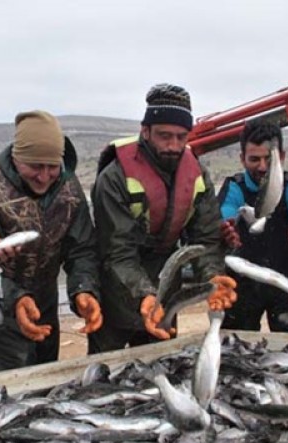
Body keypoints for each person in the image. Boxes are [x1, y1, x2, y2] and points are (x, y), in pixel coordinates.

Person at [87, 83, 237, 353]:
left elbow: (205, 240)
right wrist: (144, 295)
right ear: (145, 131)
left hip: (166, 287)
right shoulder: (114, 177)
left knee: (163, 366)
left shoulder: (198, 177)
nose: (174, 146)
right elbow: (116, 252)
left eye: (181, 137)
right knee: (104, 370)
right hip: (114, 287)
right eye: (164, 136)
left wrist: (213, 276)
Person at [0, 110, 101, 373]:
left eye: (52, 166)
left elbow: (81, 248)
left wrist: (83, 288)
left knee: (46, 372)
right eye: (35, 166)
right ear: (16, 157)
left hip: (44, 299)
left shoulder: (69, 188)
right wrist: (14, 300)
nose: (44, 176)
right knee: (13, 380)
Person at [218, 121, 288, 332]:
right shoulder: (234, 187)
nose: (262, 167)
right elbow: (227, 210)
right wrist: (227, 227)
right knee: (235, 349)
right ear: (242, 159)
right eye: (254, 159)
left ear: (281, 157)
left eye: (268, 159)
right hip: (242, 285)